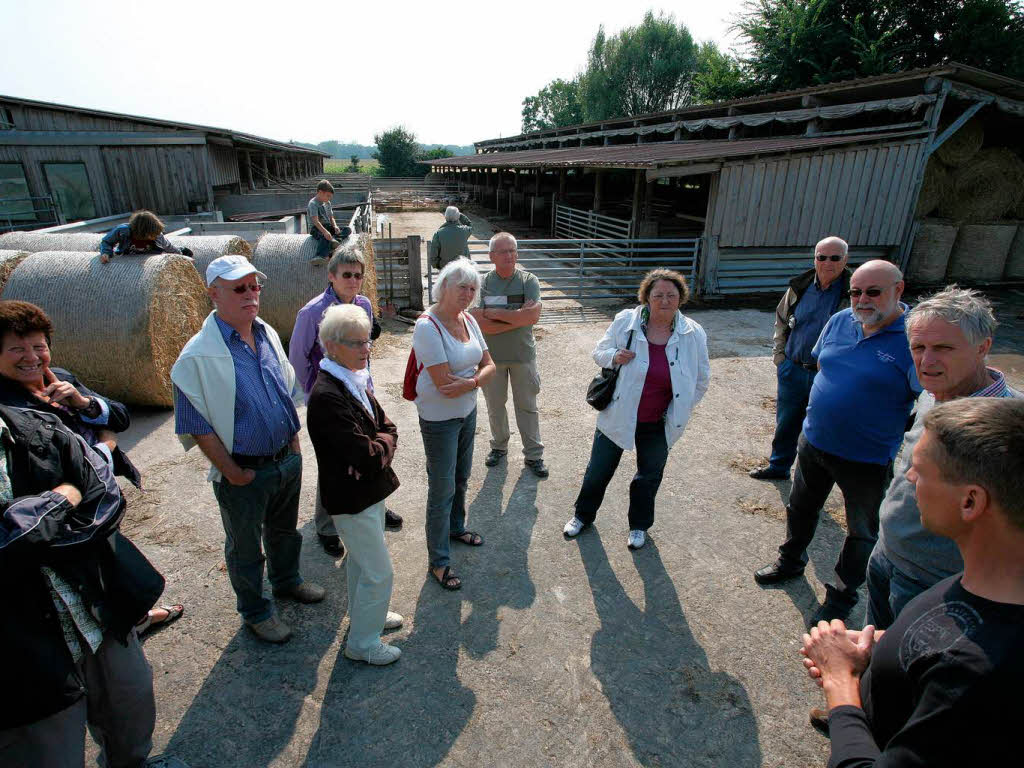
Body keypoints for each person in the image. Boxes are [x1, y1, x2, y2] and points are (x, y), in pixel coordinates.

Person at [799, 397, 1024, 767]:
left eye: (919, 470)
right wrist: (888, 648)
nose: (908, 478)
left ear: (970, 501)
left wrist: (840, 680)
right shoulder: (990, 575)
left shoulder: (978, 677)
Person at [0, 403, 187, 768]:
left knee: (130, 705)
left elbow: (102, 493)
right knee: (49, 751)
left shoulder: (38, 425)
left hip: (93, 612)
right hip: (19, 651)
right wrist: (59, 499)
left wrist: (27, 532)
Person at [0, 299, 183, 636]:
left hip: (100, 498)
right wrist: (105, 446)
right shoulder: (9, 410)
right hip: (71, 518)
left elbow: (120, 417)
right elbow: (62, 476)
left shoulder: (61, 379)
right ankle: (118, 632)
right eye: (16, 349)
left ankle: (136, 617)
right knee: (96, 579)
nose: (31, 357)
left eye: (38, 346)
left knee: (119, 566)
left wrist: (83, 403)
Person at [754, 260, 921, 626]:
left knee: (861, 531)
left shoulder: (914, 339)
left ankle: (841, 596)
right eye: (856, 291)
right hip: (814, 442)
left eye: (872, 292)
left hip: (867, 457)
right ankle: (791, 561)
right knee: (800, 507)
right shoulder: (840, 321)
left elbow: (924, 402)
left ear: (899, 290)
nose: (862, 299)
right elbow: (820, 364)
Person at [171, 255, 324, 644]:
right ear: (214, 293)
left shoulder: (267, 332)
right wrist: (234, 473)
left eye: (255, 286)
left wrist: (294, 444)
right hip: (243, 472)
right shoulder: (195, 357)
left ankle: (288, 581)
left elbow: (286, 389)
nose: (251, 294)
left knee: (284, 532)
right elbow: (195, 424)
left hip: (284, 460)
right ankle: (256, 612)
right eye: (240, 288)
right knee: (245, 548)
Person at [867, 286, 1021, 630]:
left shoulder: (1012, 427)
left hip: (936, 585)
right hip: (886, 555)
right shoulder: (932, 394)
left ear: (984, 348)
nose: (927, 360)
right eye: (918, 348)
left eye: (943, 348)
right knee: (875, 663)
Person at [563, 269, 711, 550]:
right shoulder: (626, 322)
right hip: (619, 413)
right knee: (598, 471)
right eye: (658, 295)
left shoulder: (692, 333)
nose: (664, 301)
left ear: (681, 298)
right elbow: (599, 353)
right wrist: (614, 356)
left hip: (659, 420)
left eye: (671, 295)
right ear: (646, 297)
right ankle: (582, 516)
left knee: (649, 475)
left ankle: (639, 526)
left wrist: (681, 407)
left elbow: (702, 378)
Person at [289, 248, 402, 559]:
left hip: (361, 389)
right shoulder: (312, 312)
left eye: (358, 275)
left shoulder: (364, 304)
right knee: (335, 464)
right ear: (331, 276)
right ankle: (326, 526)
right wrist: (317, 392)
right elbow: (297, 359)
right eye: (347, 275)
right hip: (330, 396)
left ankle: (377, 503)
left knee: (367, 449)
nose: (354, 281)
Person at [307, 304, 403, 665]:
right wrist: (385, 442)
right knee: (380, 572)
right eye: (357, 343)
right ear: (332, 345)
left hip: (367, 491)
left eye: (368, 342)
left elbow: (386, 426)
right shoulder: (328, 396)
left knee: (361, 565)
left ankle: (367, 618)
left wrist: (383, 441)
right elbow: (367, 456)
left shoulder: (352, 379)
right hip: (352, 497)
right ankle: (362, 644)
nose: (366, 350)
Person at [412, 257, 495, 591]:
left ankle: (456, 527)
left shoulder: (469, 320)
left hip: (467, 411)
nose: (468, 293)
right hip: (440, 420)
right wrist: (474, 380)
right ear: (443, 285)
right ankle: (439, 561)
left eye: (473, 288)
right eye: (462, 286)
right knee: (442, 486)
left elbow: (490, 365)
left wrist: (471, 383)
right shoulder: (426, 326)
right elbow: (444, 384)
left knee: (461, 478)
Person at [750, 236, 851, 480]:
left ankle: (812, 480)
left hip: (828, 376)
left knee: (822, 428)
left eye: (835, 258)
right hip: (793, 369)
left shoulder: (854, 292)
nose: (828, 262)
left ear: (845, 260)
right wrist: (780, 358)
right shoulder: (800, 287)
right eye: (822, 257)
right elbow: (781, 320)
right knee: (786, 423)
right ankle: (779, 467)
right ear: (814, 259)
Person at [468, 232, 547, 477]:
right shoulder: (483, 284)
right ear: (492, 256)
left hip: (523, 356)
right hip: (491, 359)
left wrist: (495, 313)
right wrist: (517, 318)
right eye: (503, 251)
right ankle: (499, 447)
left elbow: (533, 316)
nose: (509, 256)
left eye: (512, 250)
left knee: (527, 406)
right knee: (495, 406)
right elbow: (479, 322)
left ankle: (533, 455)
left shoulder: (528, 281)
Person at [99, 210, 193, 264]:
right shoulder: (123, 231)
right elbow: (106, 241)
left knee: (178, 250)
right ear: (143, 232)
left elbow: (168, 247)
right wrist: (106, 253)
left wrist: (181, 255)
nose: (156, 235)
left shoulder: (157, 236)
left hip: (150, 256)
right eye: (152, 234)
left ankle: (182, 249)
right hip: (128, 256)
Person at [307, 180, 350, 265]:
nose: (329, 198)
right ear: (320, 192)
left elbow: (331, 217)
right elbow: (315, 221)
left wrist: (335, 226)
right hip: (316, 228)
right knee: (324, 236)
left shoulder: (327, 203)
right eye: (328, 196)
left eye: (330, 197)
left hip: (328, 226)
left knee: (347, 229)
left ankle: (334, 241)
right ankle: (319, 256)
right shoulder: (313, 204)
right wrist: (325, 232)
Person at [428, 206, 473, 270]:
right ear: (458, 216)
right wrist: (461, 216)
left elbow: (434, 253)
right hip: (463, 267)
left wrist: (438, 265)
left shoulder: (439, 233)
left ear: (445, 216)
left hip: (445, 268)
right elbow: (470, 225)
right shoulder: (464, 230)